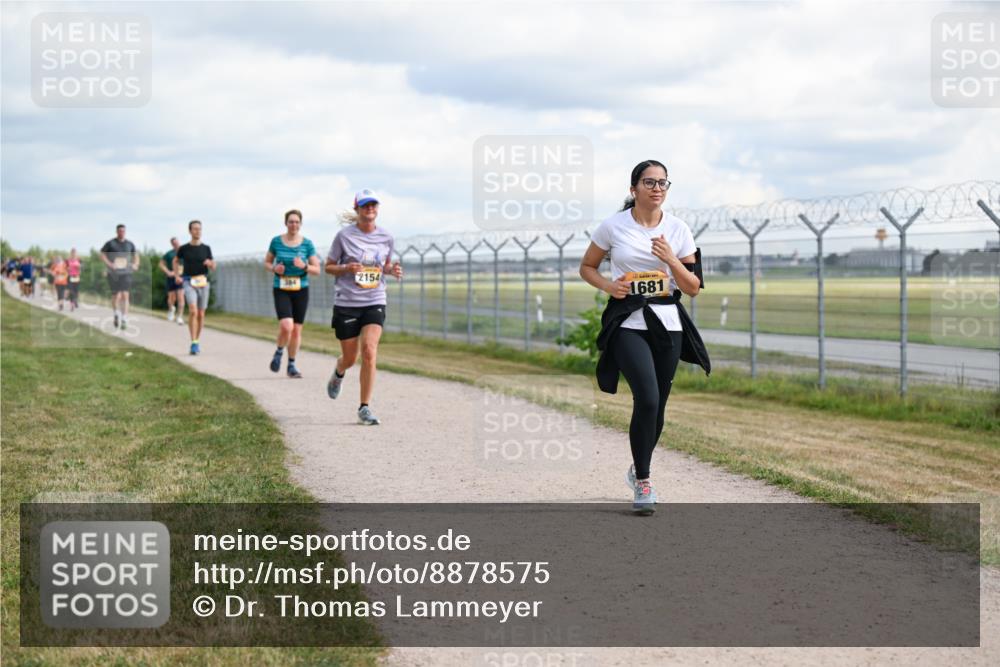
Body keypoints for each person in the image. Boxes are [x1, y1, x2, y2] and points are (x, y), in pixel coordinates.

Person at [579, 159, 710, 515]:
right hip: (627, 321)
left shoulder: (679, 229)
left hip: (667, 323)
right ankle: (644, 482)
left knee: (658, 406)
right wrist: (609, 286)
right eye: (649, 182)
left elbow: (693, 287)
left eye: (663, 183)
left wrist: (671, 259)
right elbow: (587, 267)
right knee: (647, 398)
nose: (657, 188)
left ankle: (638, 467)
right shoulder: (613, 226)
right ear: (633, 188)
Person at [324, 189, 403, 425]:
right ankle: (339, 370)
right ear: (357, 209)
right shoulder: (343, 236)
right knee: (351, 358)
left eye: (373, 205)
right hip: (347, 303)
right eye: (365, 205)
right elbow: (328, 266)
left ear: (377, 209)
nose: (370, 209)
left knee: (369, 350)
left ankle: (364, 408)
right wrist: (346, 268)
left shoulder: (386, 237)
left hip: (374, 299)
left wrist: (392, 270)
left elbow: (383, 266)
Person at [264, 209, 321, 378]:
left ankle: (291, 365)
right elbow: (267, 263)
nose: (294, 224)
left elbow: (317, 270)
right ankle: (279, 352)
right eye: (291, 221)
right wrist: (275, 268)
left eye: (297, 222)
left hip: (301, 289)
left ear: (300, 224)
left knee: (296, 330)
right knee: (286, 326)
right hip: (281, 287)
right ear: (286, 223)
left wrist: (304, 266)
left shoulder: (307, 244)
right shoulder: (276, 241)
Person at [173, 220, 215, 355]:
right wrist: (176, 275)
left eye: (200, 229)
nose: (198, 231)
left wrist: (210, 263)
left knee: (201, 314)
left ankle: (197, 340)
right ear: (190, 231)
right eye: (195, 229)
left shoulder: (206, 248)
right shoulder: (184, 248)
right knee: (193, 311)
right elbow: (175, 261)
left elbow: (213, 266)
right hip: (189, 282)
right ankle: (194, 342)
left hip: (203, 282)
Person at [101, 224, 139, 330]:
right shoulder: (110, 243)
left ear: (125, 232)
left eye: (123, 231)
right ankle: (116, 313)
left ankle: (124, 319)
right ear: (117, 232)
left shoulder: (130, 244)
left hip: (126, 272)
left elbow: (136, 256)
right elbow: (102, 255)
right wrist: (109, 264)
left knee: (125, 294)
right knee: (116, 295)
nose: (122, 232)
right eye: (120, 231)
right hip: (113, 273)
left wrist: (136, 264)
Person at [158, 237, 185, 325]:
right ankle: (171, 310)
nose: (176, 244)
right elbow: (161, 264)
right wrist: (168, 272)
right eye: (174, 243)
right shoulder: (169, 254)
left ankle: (179, 316)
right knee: (171, 298)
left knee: (181, 297)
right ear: (172, 244)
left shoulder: (185, 252)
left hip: (181, 278)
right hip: (171, 278)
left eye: (177, 242)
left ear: (179, 242)